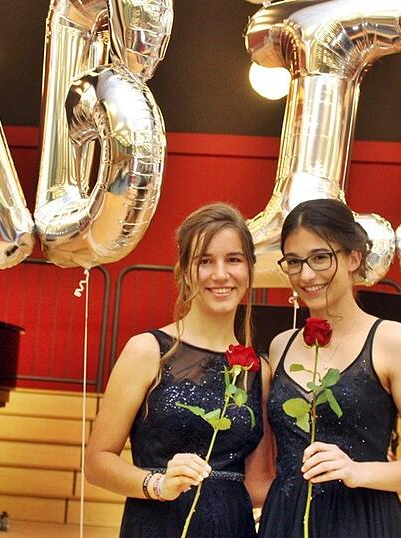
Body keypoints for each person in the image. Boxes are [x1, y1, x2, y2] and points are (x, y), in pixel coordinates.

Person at [257, 199, 401, 538]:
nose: (306, 275)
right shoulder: (280, 345)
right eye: (294, 262)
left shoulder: (394, 340)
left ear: (354, 258)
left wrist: (357, 471)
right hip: (285, 520)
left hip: (363, 520)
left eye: (320, 257)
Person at [86, 203, 274, 537]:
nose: (220, 274)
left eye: (233, 259)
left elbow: (259, 485)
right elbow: (97, 462)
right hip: (157, 526)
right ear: (185, 271)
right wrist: (158, 484)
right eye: (205, 261)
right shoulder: (147, 351)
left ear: (249, 268)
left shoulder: (259, 370)